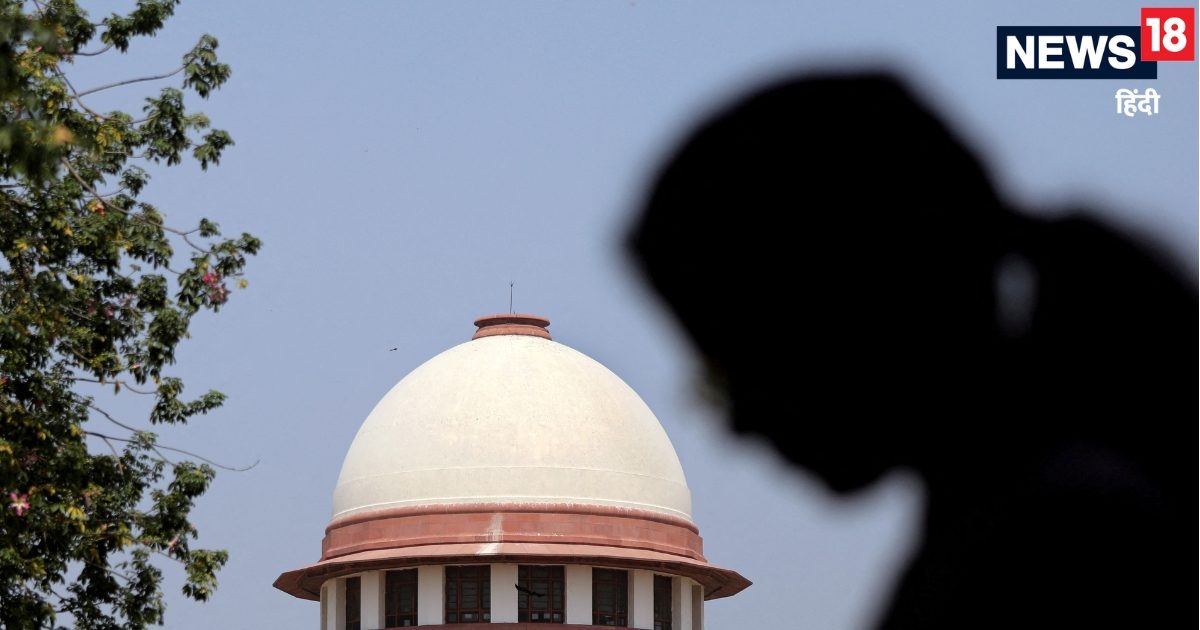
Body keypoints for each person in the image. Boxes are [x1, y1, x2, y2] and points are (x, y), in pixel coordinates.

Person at [627, 72, 1195, 629]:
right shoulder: (1035, 510)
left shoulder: (1061, 546)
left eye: (739, 367)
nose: (739, 425)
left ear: (859, 306)